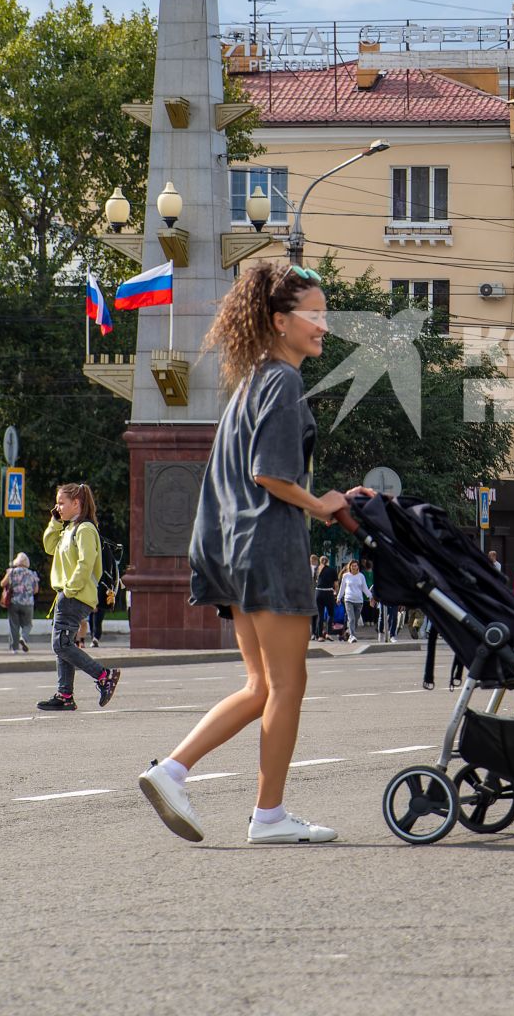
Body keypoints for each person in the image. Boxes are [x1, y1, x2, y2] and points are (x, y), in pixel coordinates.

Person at [136, 260, 371, 846]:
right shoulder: (285, 383)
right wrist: (323, 504)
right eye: (312, 315)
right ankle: (265, 814)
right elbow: (271, 474)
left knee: (260, 685)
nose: (323, 326)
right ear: (278, 321)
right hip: (268, 547)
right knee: (288, 685)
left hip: (229, 547)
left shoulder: (251, 382)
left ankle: (174, 771)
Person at [38, 483, 120, 711]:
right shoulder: (68, 529)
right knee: (64, 644)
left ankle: (104, 675)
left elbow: (86, 563)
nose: (58, 507)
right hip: (67, 594)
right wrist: (54, 521)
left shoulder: (85, 529)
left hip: (75, 595)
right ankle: (65, 696)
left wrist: (70, 589)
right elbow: (48, 546)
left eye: (62, 502)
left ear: (77, 503)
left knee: (61, 643)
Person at [0, 553, 39, 654]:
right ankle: (23, 638)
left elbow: (2, 584)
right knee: (28, 624)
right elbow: (36, 590)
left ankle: (15, 648)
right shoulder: (32, 574)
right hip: (28, 603)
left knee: (14, 625)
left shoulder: (11, 572)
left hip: (14, 602)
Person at [337, 559, 368, 644]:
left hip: (359, 601)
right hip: (348, 599)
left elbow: (364, 588)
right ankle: (352, 636)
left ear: (358, 567)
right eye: (353, 566)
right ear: (350, 567)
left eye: (356, 565)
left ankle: (348, 632)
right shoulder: (346, 576)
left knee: (356, 620)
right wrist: (338, 598)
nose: (354, 567)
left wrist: (371, 597)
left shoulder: (361, 576)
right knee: (351, 618)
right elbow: (342, 588)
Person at [313, 556, 337, 642]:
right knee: (331, 613)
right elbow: (336, 584)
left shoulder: (317, 569)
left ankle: (319, 636)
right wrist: (336, 592)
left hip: (318, 592)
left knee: (320, 614)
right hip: (328, 592)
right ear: (328, 562)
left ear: (320, 561)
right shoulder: (332, 570)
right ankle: (328, 633)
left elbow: (315, 581)